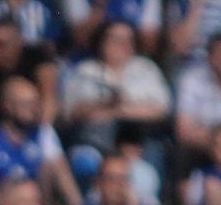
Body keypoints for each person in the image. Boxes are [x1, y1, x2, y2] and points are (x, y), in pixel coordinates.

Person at [0, 77, 81, 205]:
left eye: (35, 103)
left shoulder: (44, 132)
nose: (32, 109)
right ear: (7, 106)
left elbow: (63, 176)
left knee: (48, 165)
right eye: (25, 104)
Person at [62, 20, 172, 152]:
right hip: (95, 138)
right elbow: (74, 112)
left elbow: (161, 110)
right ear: (101, 42)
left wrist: (116, 110)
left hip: (141, 137)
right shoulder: (85, 70)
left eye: (129, 40)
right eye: (117, 39)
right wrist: (111, 106)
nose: (124, 45)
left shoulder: (146, 68)